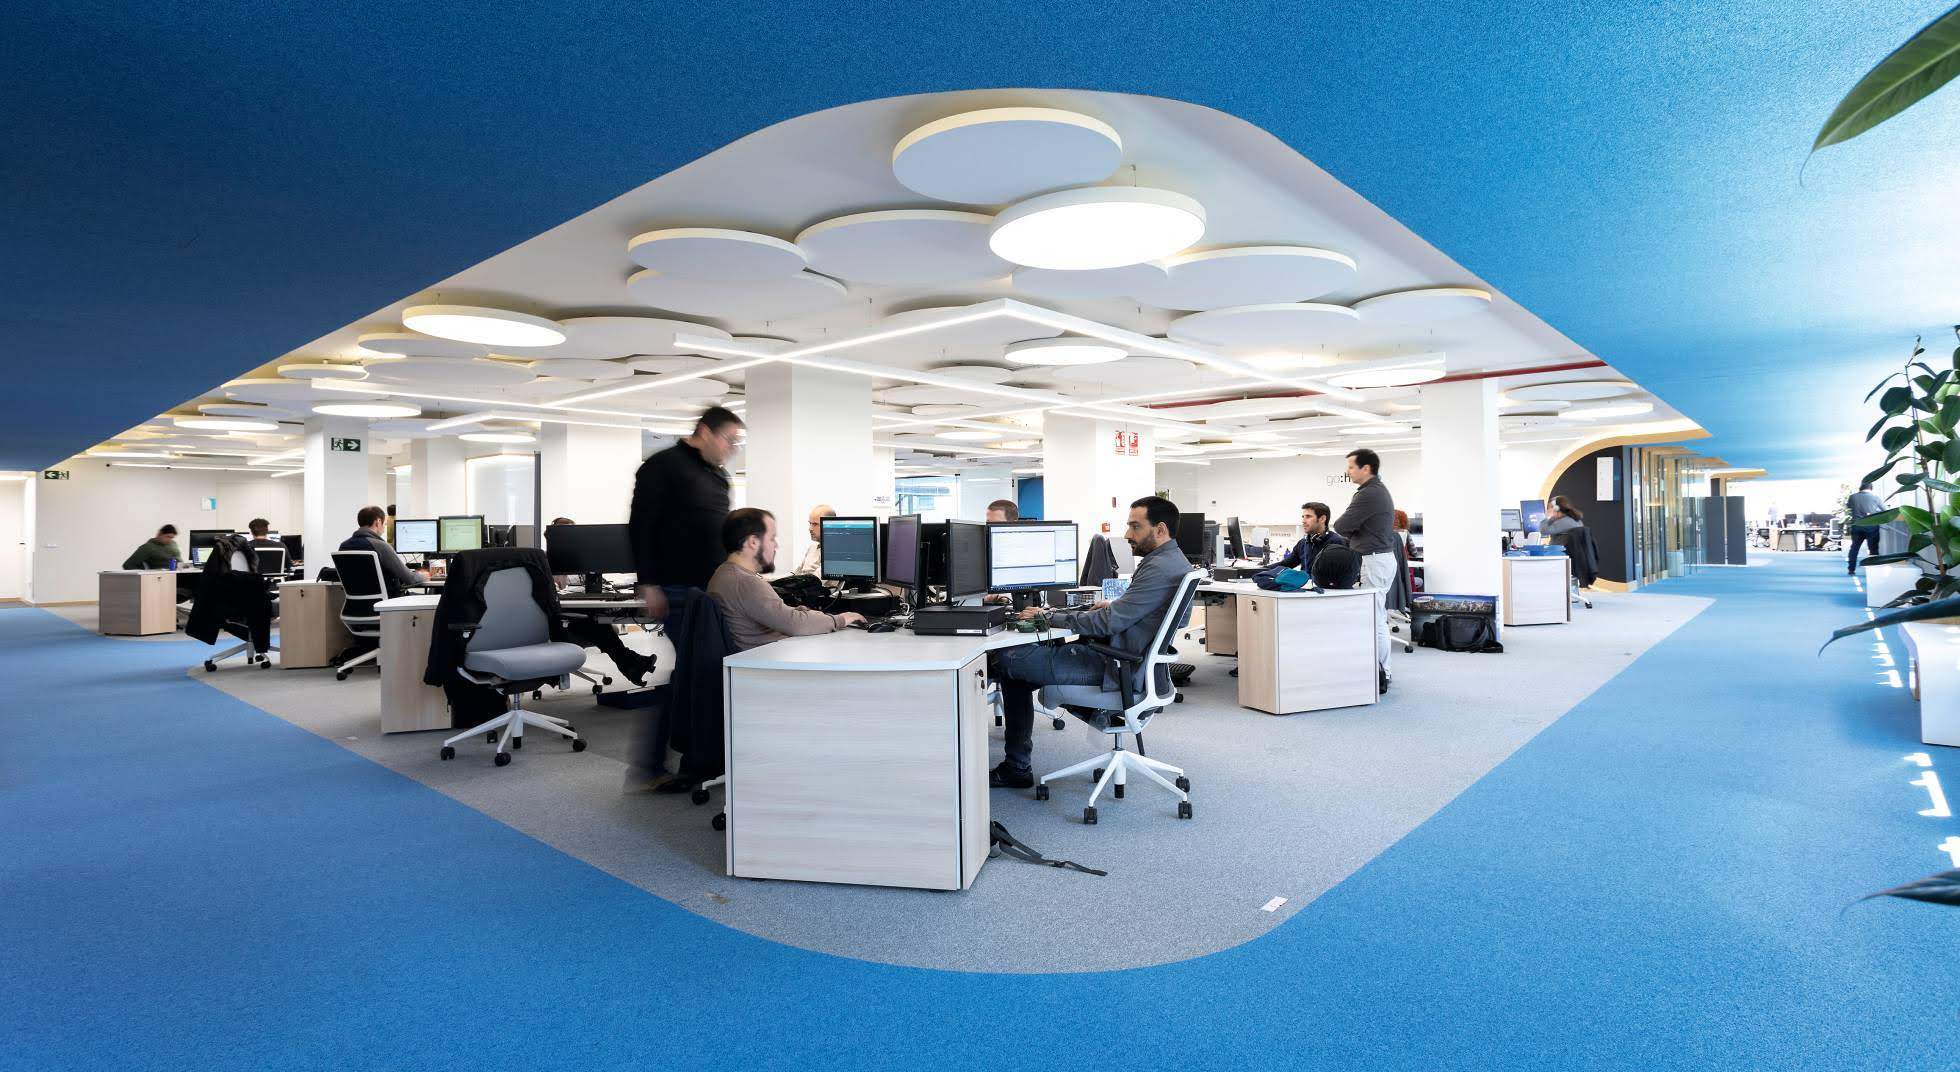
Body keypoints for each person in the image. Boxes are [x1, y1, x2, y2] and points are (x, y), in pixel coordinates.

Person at [986, 496, 1193, 789]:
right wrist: (1120, 606)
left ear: (1160, 529)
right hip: (1128, 661)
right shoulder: (1173, 561)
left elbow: (1107, 624)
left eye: (1135, 526)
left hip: (1113, 665)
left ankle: (1015, 766)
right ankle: (1016, 766)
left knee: (1007, 660)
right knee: (1019, 671)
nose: (1127, 534)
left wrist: (1050, 616)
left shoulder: (1159, 567)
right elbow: (1173, 619)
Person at [630, 406, 744, 622]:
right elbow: (641, 527)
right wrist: (648, 583)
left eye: (736, 443)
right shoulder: (662, 465)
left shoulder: (719, 475)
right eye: (729, 440)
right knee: (692, 643)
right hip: (677, 587)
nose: (733, 449)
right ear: (705, 432)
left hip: (717, 584)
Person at [708, 508, 864, 650]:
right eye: (772, 539)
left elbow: (785, 616)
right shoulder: (745, 582)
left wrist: (807, 615)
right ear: (753, 542)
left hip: (766, 654)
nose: (776, 545)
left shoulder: (724, 574)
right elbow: (795, 623)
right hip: (769, 659)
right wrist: (841, 619)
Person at [549, 517, 656, 685]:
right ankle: (631, 663)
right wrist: (559, 558)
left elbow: (596, 584)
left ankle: (631, 665)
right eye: (563, 534)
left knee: (596, 622)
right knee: (596, 624)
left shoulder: (581, 558)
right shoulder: (547, 560)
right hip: (563, 618)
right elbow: (559, 586)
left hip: (582, 614)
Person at [1332, 448, 1397, 694]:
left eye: (1351, 467)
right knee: (1375, 617)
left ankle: (1382, 673)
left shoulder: (1369, 493)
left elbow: (1341, 525)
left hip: (1374, 561)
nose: (1347, 472)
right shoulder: (1375, 490)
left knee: (1375, 619)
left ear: (1366, 468)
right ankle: (1380, 671)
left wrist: (1352, 531)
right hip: (1377, 559)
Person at [339, 505, 427, 598]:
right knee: (432, 599)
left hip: (354, 604)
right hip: (387, 602)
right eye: (384, 524)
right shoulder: (380, 546)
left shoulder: (343, 546)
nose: (384, 529)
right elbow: (410, 579)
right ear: (378, 522)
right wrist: (425, 574)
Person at [1258, 502, 1346, 580]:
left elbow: (1336, 575)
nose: (1303, 521)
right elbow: (1287, 563)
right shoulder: (1303, 542)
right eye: (1303, 517)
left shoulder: (1336, 542)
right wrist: (1260, 570)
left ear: (1322, 519)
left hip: (1325, 590)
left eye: (1308, 516)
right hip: (1306, 587)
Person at [1846, 482, 1887, 574]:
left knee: (1854, 548)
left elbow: (1849, 506)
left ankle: (1851, 569)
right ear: (1871, 488)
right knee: (1873, 549)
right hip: (1871, 526)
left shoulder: (1853, 497)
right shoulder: (1875, 498)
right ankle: (1874, 570)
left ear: (1860, 488)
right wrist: (1874, 511)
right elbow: (1885, 510)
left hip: (1857, 526)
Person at [795, 504, 835, 576]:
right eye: (810, 523)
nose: (810, 529)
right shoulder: (811, 548)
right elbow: (795, 573)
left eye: (815, 524)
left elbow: (815, 579)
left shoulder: (836, 552)